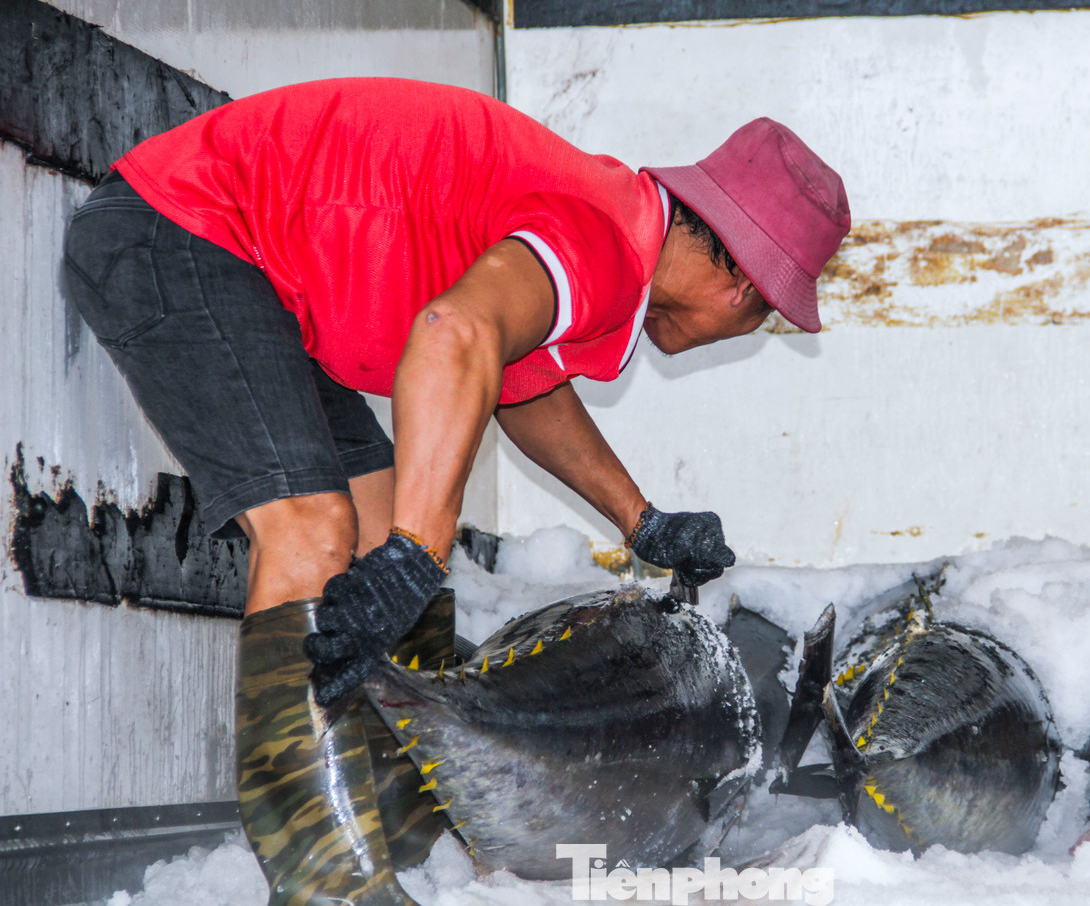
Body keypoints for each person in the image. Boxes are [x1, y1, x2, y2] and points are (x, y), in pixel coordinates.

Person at [62, 77, 850, 904]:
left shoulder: (611, 217)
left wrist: (642, 520)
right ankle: (329, 884)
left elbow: (516, 378)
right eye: (765, 316)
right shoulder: (604, 240)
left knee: (374, 521)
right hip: (180, 233)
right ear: (744, 294)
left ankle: (409, 835)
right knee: (316, 531)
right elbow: (456, 334)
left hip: (245, 270)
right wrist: (415, 548)